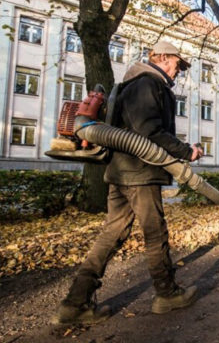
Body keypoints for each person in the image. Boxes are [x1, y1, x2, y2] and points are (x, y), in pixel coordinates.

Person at [55, 41, 204, 325]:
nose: (179, 71)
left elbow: (140, 130)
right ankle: (167, 294)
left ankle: (74, 304)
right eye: (177, 64)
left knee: (111, 235)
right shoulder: (148, 84)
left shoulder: (133, 84)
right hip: (139, 172)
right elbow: (149, 132)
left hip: (121, 172)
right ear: (162, 58)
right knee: (155, 233)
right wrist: (187, 152)